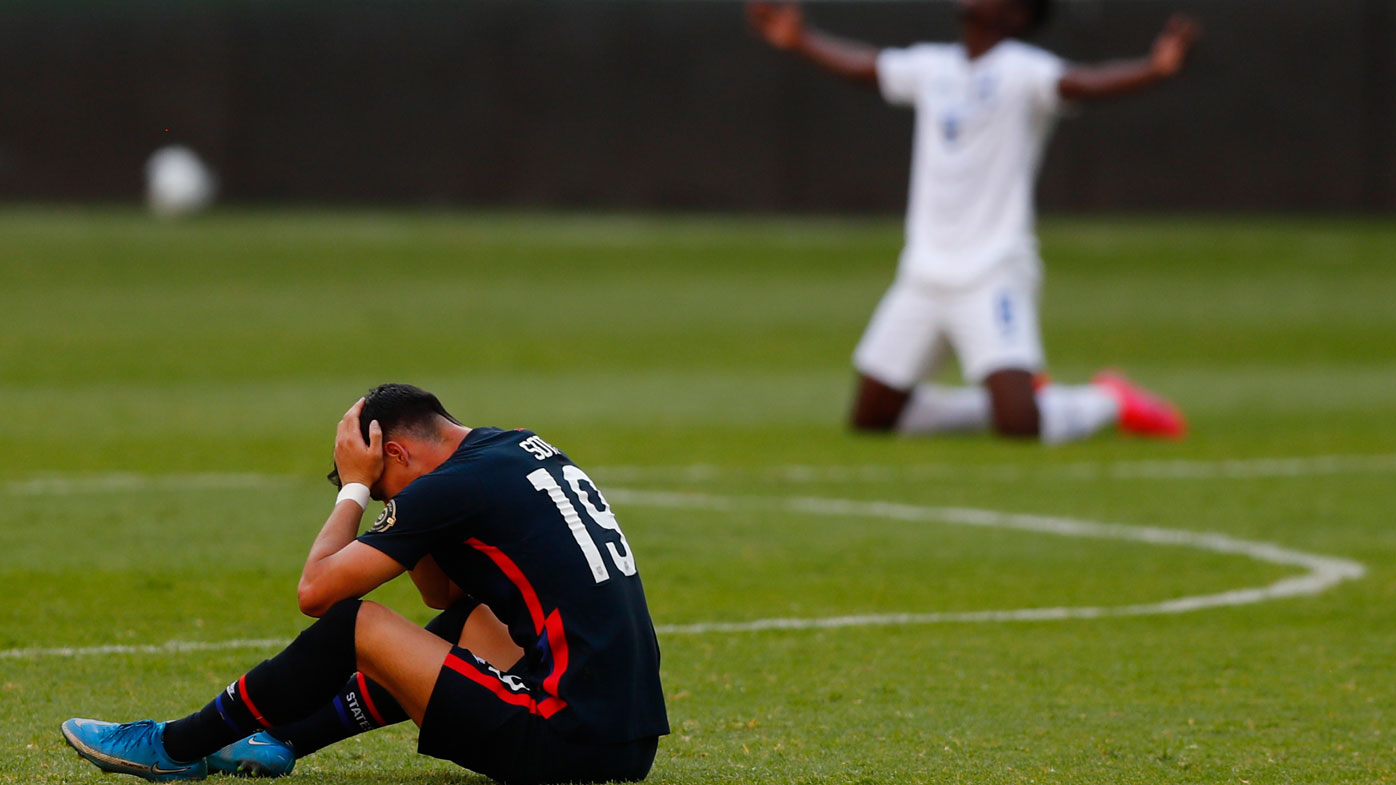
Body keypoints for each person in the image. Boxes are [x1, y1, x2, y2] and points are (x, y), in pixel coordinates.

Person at [61, 383, 668, 783]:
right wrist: (405, 513)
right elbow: (442, 597)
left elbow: (316, 592)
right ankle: (281, 739)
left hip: (566, 736)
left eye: (382, 491)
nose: (383, 507)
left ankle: (176, 747)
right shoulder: (512, 450)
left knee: (354, 623)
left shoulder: (452, 486)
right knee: (477, 617)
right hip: (624, 742)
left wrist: (354, 487)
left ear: (396, 453)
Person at [748, 0, 1199, 443]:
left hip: (992, 271)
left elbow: (1080, 84)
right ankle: (1002, 401)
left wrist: (1153, 69)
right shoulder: (932, 66)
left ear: (1017, 13)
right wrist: (801, 40)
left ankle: (1108, 400)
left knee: (1020, 426)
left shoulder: (1022, 70)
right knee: (873, 420)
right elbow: (868, 68)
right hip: (923, 273)